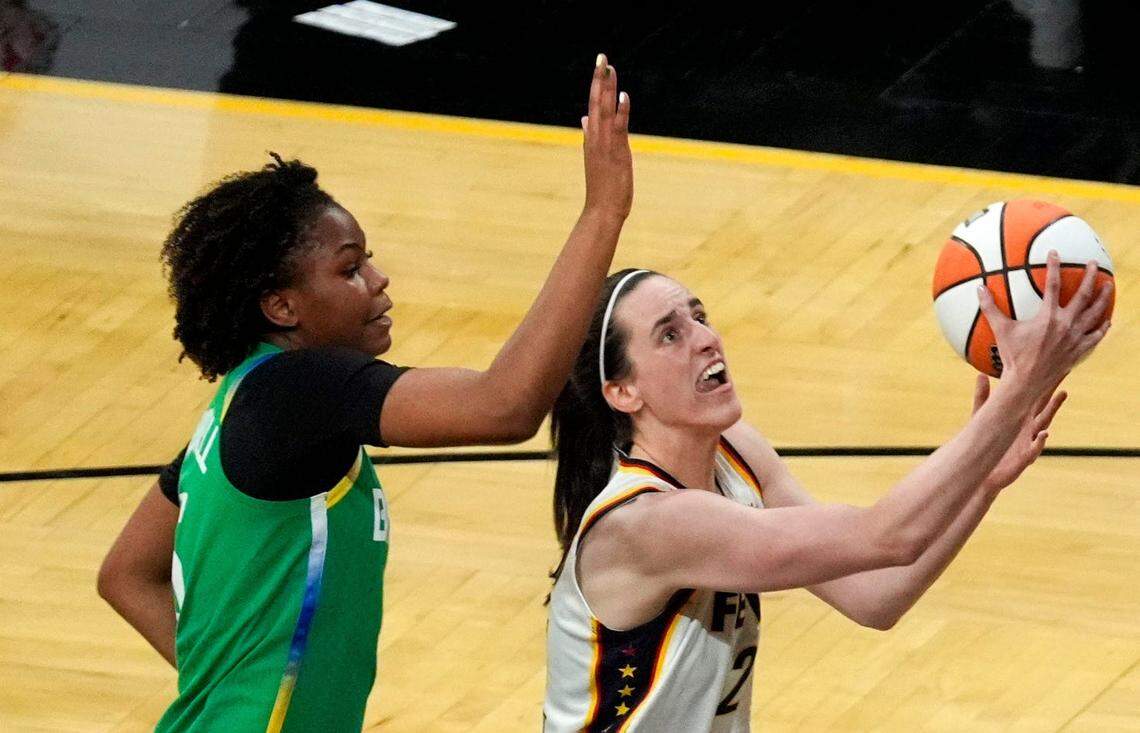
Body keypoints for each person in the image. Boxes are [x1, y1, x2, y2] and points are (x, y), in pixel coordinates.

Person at [97, 55, 632, 732]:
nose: (378, 280)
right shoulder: (300, 391)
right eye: (350, 268)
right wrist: (602, 213)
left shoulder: (245, 406)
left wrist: (231, 691)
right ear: (282, 306)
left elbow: (124, 572)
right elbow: (506, 405)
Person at [544, 259, 1112, 732]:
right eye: (671, 334)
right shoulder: (648, 524)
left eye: (699, 317)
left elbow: (875, 595)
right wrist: (1020, 389)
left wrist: (983, 482)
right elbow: (887, 535)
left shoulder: (734, 451)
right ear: (622, 391)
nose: (706, 339)